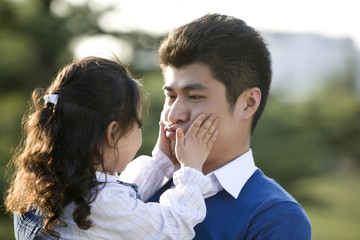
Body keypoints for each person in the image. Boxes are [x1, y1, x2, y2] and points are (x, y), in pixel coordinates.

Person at [120, 13, 312, 239]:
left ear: (248, 103)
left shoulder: (275, 216)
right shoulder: (139, 185)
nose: (174, 114)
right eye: (171, 96)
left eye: (194, 96)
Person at [5, 56, 219, 239]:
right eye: (138, 125)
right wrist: (191, 168)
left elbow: (126, 209)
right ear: (112, 133)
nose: (141, 133)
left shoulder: (53, 184)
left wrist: (163, 161)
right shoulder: (100, 201)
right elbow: (173, 228)